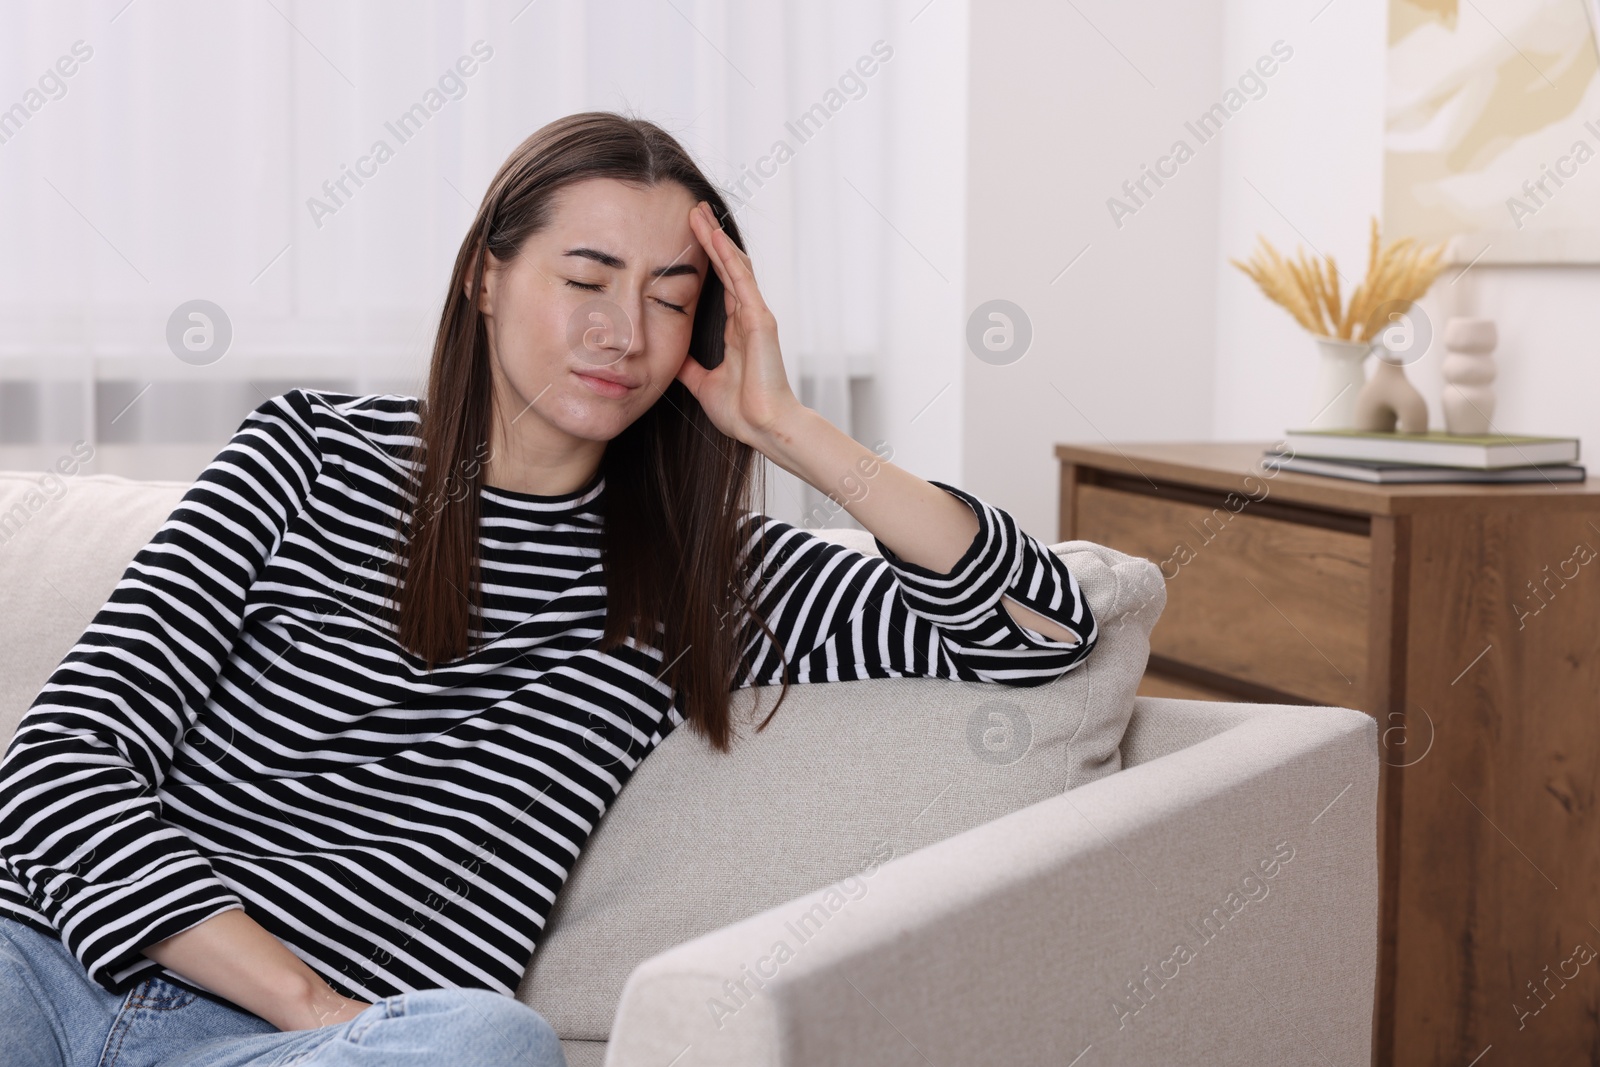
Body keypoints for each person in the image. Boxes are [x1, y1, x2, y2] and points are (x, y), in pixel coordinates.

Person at [0, 111, 1098, 1066]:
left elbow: (1041, 630)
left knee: (490, 1041)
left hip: (326, 1052)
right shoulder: (310, 456)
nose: (622, 333)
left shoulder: (703, 577)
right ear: (486, 274)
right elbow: (56, 767)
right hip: (43, 968)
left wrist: (793, 432)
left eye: (670, 301)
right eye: (584, 280)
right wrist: (306, 997)